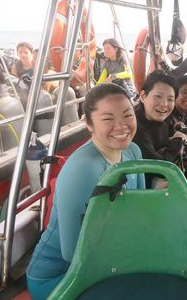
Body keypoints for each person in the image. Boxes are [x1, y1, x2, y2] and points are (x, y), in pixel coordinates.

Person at [26, 84, 145, 299]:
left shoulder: (133, 151)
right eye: (108, 119)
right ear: (89, 124)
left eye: (128, 115)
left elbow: (140, 214)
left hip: (109, 260)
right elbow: (73, 252)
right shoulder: (83, 168)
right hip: (60, 276)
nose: (121, 126)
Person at [132, 71, 185, 186]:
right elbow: (160, 169)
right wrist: (177, 142)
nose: (164, 104)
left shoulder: (162, 119)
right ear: (142, 96)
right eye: (158, 97)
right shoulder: (134, 127)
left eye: (170, 99)